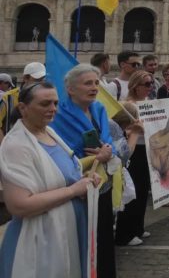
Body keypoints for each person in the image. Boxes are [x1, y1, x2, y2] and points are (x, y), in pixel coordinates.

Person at [0, 81, 100, 278]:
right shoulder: (16, 146)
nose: (53, 109)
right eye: (45, 104)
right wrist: (74, 190)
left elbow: (63, 177)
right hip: (40, 242)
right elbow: (19, 205)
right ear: (23, 108)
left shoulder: (50, 132)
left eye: (55, 103)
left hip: (67, 232)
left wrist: (83, 179)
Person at [51, 64, 117, 278]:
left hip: (103, 182)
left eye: (96, 83)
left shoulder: (99, 108)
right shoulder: (59, 114)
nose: (94, 87)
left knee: (104, 236)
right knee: (82, 238)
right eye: (88, 83)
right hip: (77, 183)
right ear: (70, 89)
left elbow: (108, 141)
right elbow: (61, 149)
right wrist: (94, 157)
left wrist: (107, 151)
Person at [115, 72, 151, 246]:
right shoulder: (127, 105)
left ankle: (138, 226)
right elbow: (120, 130)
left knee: (143, 189)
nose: (150, 87)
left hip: (147, 149)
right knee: (131, 190)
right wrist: (135, 131)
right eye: (147, 84)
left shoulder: (149, 103)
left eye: (151, 84)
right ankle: (125, 231)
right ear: (136, 86)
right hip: (133, 150)